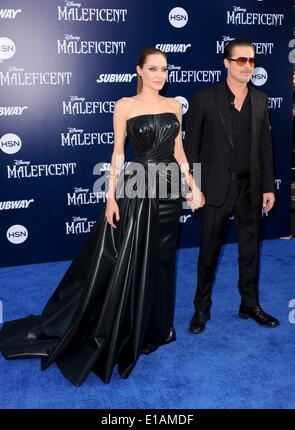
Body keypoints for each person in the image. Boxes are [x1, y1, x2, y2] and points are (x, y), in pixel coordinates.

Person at [0, 48, 204, 385]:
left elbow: (179, 152)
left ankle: (157, 327)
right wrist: (111, 197)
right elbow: (119, 153)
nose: (160, 75)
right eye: (153, 69)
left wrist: (193, 187)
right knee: (134, 256)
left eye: (164, 69)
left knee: (163, 258)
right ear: (139, 70)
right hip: (138, 186)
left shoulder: (175, 106)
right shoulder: (124, 105)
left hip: (168, 187)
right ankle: (130, 324)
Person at [184, 38, 279, 334]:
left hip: (249, 187)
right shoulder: (204, 99)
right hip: (214, 188)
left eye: (252, 61)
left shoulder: (261, 101)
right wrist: (193, 188)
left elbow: (265, 148)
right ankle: (201, 309)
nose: (248, 66)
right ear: (226, 63)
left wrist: (268, 187)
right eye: (241, 60)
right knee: (208, 251)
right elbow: (192, 148)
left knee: (250, 250)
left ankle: (249, 304)